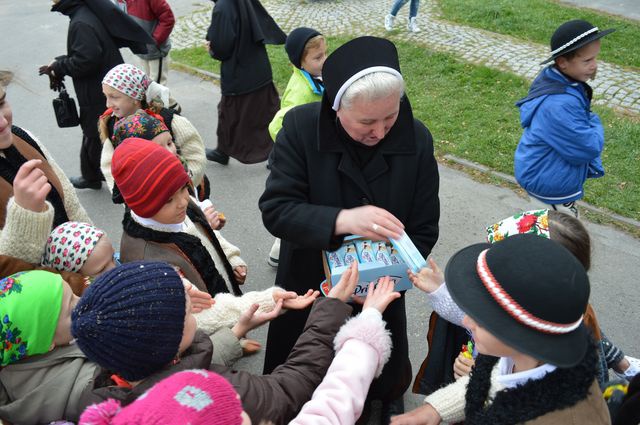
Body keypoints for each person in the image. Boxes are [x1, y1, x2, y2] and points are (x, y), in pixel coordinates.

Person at [259, 36, 440, 420]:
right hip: (311, 285)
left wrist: (386, 277)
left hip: (383, 291)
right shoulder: (301, 129)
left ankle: (380, 400)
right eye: (366, 122)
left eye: (390, 118)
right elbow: (276, 210)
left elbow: (424, 227)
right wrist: (342, 220)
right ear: (336, 106)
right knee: (301, 379)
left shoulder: (418, 139)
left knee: (378, 383)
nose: (380, 132)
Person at [73, 260, 367, 424]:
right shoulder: (222, 394)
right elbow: (292, 385)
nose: (193, 305)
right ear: (170, 343)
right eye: (188, 310)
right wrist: (332, 306)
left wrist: (237, 331)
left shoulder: (100, 395)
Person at [413, 210, 639, 395]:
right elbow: (475, 316)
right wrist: (441, 289)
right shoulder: (540, 306)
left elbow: (594, 359)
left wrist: (481, 379)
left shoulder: (565, 361)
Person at [391, 234, 611, 425]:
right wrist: (437, 409)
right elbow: (499, 379)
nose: (466, 322)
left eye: (483, 318)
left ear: (521, 334)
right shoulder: (528, 360)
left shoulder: (557, 419)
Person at [112, 138, 245, 296]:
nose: (183, 201)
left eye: (184, 188)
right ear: (144, 205)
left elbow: (207, 235)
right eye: (168, 200)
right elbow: (191, 314)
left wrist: (231, 259)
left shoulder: (180, 208)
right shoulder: (147, 260)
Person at [514, 20, 615, 217]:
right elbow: (588, 147)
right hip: (549, 185)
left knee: (545, 233)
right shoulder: (558, 105)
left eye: (595, 58)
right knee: (561, 240)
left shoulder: (558, 80)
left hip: (547, 174)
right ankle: (510, 247)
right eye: (587, 61)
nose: (594, 66)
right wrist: (593, 120)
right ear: (562, 63)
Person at [0, 83, 91, 264]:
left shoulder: (21, 136)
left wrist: (94, 246)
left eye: (1, 103)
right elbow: (8, 279)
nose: (3, 122)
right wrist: (25, 214)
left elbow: (71, 206)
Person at [40, 0, 125, 190]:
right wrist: (59, 62)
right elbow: (87, 54)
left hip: (98, 91)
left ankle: (97, 177)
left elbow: (87, 60)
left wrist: (59, 66)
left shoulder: (81, 22)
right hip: (102, 88)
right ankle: (93, 176)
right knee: (97, 133)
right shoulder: (84, 14)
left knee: (95, 133)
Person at [99, 64, 207, 201]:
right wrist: (130, 196)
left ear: (135, 96)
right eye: (106, 96)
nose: (108, 104)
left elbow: (195, 156)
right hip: (143, 202)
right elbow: (109, 165)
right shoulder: (111, 124)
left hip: (183, 197)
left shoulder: (169, 120)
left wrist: (180, 187)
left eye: (114, 97)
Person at [266, 26, 327, 267]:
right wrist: (293, 147)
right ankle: (281, 249)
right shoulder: (301, 92)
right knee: (298, 202)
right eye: (318, 57)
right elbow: (279, 125)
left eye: (325, 54)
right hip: (300, 157)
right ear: (300, 62)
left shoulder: (312, 78)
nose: (325, 60)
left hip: (313, 150)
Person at [0, 270, 95, 424]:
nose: (81, 302)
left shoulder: (55, 342)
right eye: (71, 309)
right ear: (46, 341)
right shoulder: (79, 385)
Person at [204, 0, 286, 165]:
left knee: (230, 114)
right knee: (266, 115)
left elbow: (222, 47)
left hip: (238, 73)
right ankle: (278, 153)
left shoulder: (223, 7)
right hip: (259, 68)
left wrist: (211, 48)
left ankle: (224, 151)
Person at [110, 110, 222, 226]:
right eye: (158, 149)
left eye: (169, 143)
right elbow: (176, 227)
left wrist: (206, 212)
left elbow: (192, 200)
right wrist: (204, 224)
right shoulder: (150, 190)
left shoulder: (180, 167)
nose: (170, 152)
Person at [111, 0, 177, 107]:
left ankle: (163, 116)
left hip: (156, 51)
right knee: (147, 85)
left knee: (156, 87)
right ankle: (173, 107)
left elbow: (168, 18)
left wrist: (154, 41)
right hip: (139, 50)